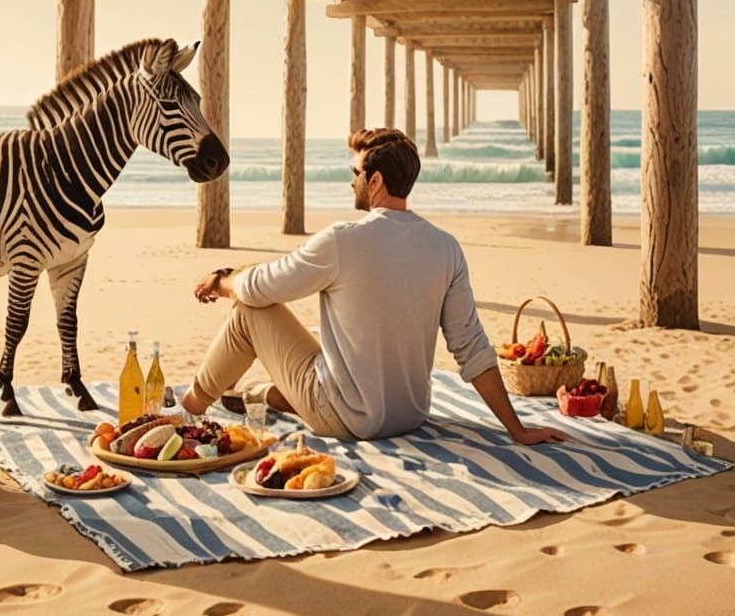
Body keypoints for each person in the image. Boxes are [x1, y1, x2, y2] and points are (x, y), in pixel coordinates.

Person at [181, 128, 570, 445]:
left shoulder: (343, 240)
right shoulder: (446, 248)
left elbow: (260, 289)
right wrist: (516, 430)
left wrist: (221, 280)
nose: (352, 183)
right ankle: (259, 395)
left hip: (347, 419)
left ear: (376, 179)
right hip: (408, 416)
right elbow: (472, 349)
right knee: (322, 344)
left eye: (356, 174)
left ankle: (189, 409)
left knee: (249, 310)